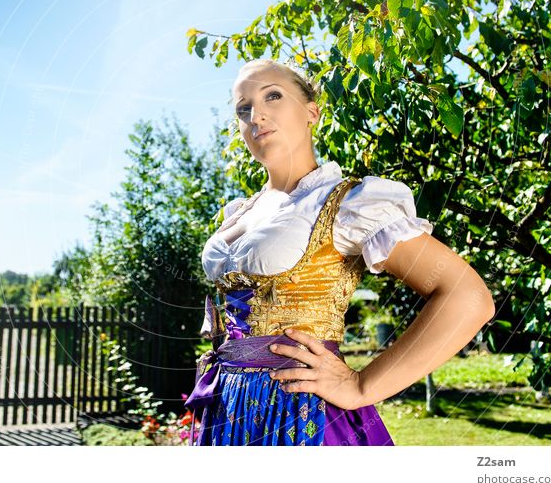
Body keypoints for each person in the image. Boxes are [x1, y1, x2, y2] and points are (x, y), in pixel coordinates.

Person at [184, 59, 496, 446]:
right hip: (229, 411)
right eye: (243, 108)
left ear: (311, 112)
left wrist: (362, 386)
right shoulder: (239, 212)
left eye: (273, 96)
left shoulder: (348, 203)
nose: (256, 114)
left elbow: (467, 297)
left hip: (301, 413)